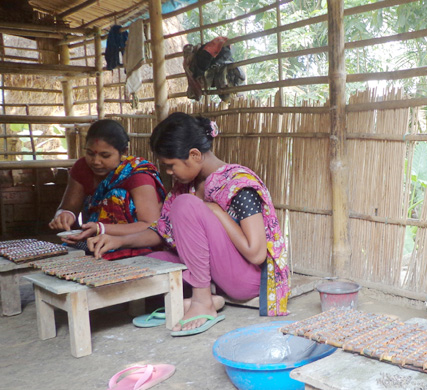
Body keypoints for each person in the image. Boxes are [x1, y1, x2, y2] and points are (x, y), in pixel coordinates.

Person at [87, 112, 290, 335]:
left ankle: (202, 302)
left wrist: (214, 210)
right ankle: (209, 298)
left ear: (194, 155)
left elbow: (256, 254)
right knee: (149, 261)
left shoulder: (239, 184)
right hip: (215, 274)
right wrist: (118, 240)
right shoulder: (187, 186)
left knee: (185, 205)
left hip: (244, 279)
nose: (169, 172)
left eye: (171, 165)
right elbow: (161, 232)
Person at [48, 119, 165, 260]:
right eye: (90, 153)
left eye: (105, 156)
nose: (96, 161)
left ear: (124, 152)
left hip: (136, 247)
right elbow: (69, 208)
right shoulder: (82, 168)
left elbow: (151, 225)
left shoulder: (137, 175)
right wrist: (64, 215)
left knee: (117, 195)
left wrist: (101, 228)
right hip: (93, 243)